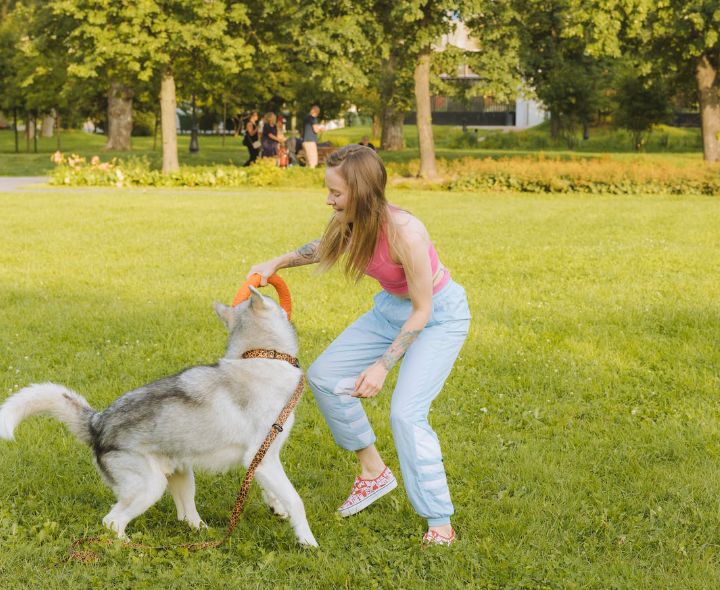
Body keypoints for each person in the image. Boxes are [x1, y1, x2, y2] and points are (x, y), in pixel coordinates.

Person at [246, 144, 471, 546]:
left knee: (406, 413)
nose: (328, 199)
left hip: (438, 317)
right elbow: (321, 247)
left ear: (363, 192)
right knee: (325, 376)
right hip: (390, 310)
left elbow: (423, 310)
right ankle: (372, 471)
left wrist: (382, 366)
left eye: (336, 192)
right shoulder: (350, 222)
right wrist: (275, 263)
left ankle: (440, 521)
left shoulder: (407, 233)